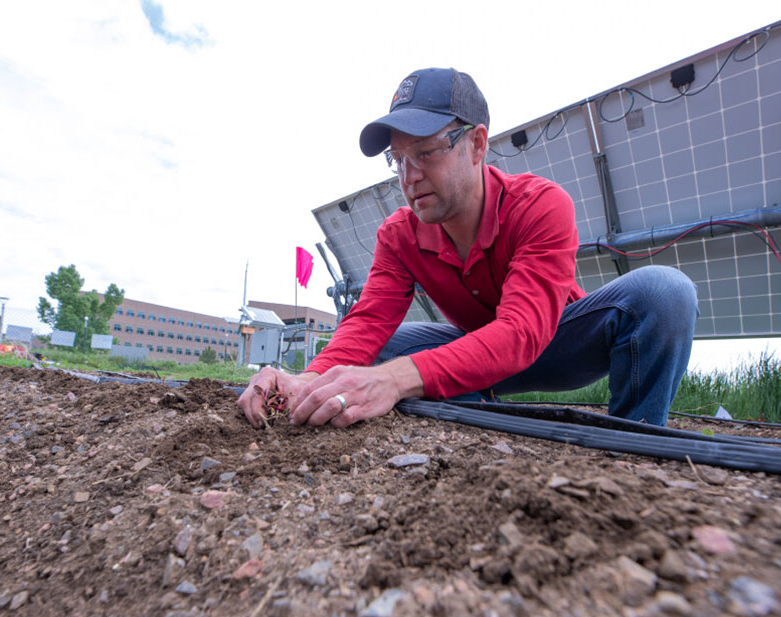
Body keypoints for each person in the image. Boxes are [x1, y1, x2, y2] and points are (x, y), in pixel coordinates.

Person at [238, 67, 697, 428]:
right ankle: (473, 412)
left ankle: (634, 441)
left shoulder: (540, 206)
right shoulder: (399, 235)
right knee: (375, 350)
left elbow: (520, 333)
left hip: (557, 341)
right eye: (398, 159)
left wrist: (396, 380)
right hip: (473, 348)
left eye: (425, 152)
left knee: (664, 293)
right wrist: (304, 380)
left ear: (477, 144)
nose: (408, 176)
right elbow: (368, 321)